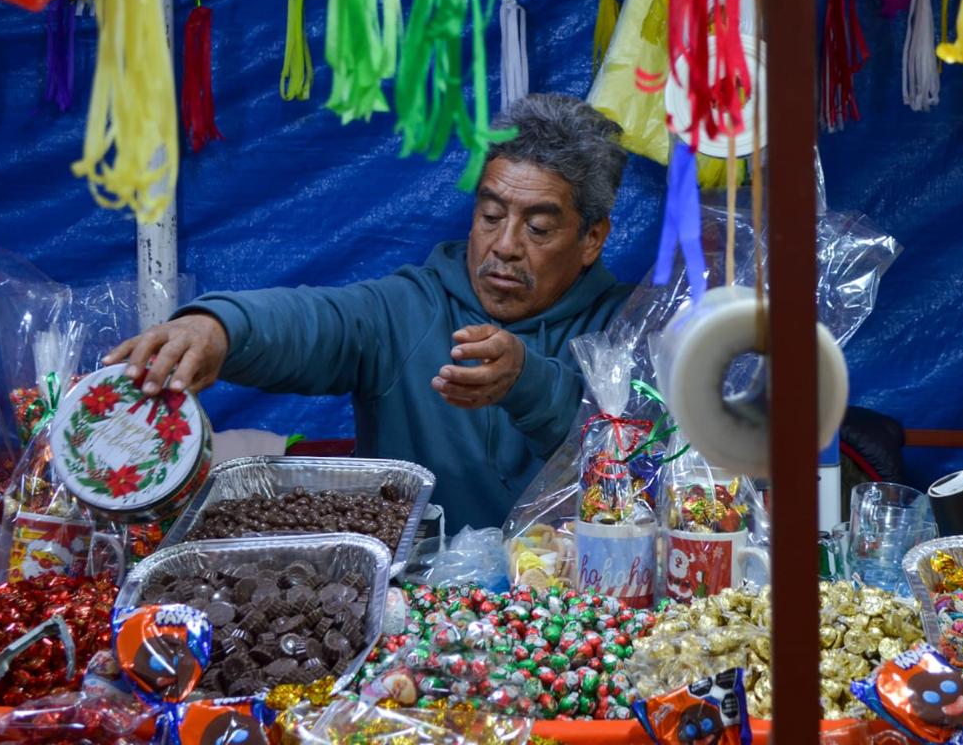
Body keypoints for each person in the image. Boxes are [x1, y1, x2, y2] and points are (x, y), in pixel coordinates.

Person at [105, 94, 634, 529]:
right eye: (491, 215)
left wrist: (526, 381)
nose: (505, 245)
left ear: (592, 238)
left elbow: (634, 460)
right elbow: (317, 322)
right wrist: (217, 327)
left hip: (576, 607)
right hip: (413, 604)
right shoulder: (408, 309)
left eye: (538, 228)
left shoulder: (627, 330)